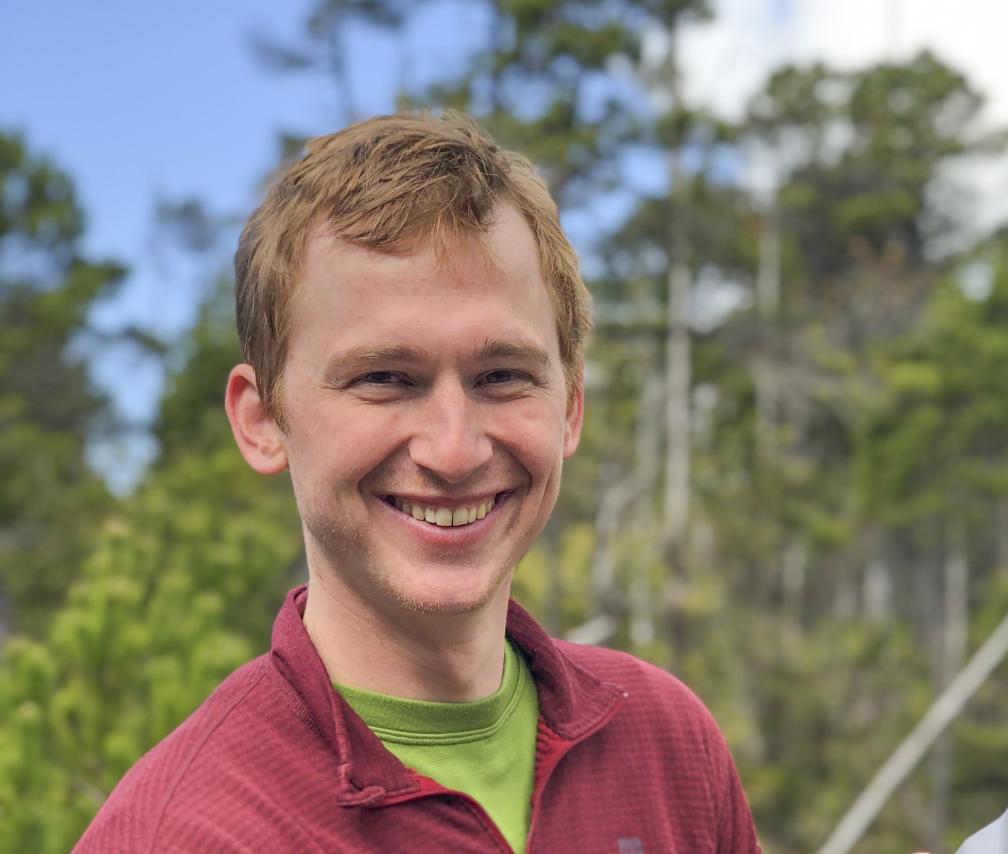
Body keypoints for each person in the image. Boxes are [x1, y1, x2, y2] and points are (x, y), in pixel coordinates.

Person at [76, 112, 759, 853]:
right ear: (263, 419)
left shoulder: (669, 749)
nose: (454, 450)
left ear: (570, 408)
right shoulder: (186, 834)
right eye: (384, 379)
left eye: (502, 376)